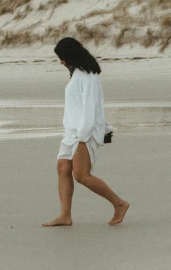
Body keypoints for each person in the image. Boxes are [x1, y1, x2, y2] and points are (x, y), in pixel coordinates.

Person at [42, 37, 130, 227]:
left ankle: (119, 204)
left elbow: (91, 108)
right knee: (63, 168)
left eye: (62, 58)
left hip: (83, 132)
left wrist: (84, 136)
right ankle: (65, 215)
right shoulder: (78, 74)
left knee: (81, 175)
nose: (61, 62)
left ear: (69, 56)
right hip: (71, 132)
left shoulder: (87, 76)